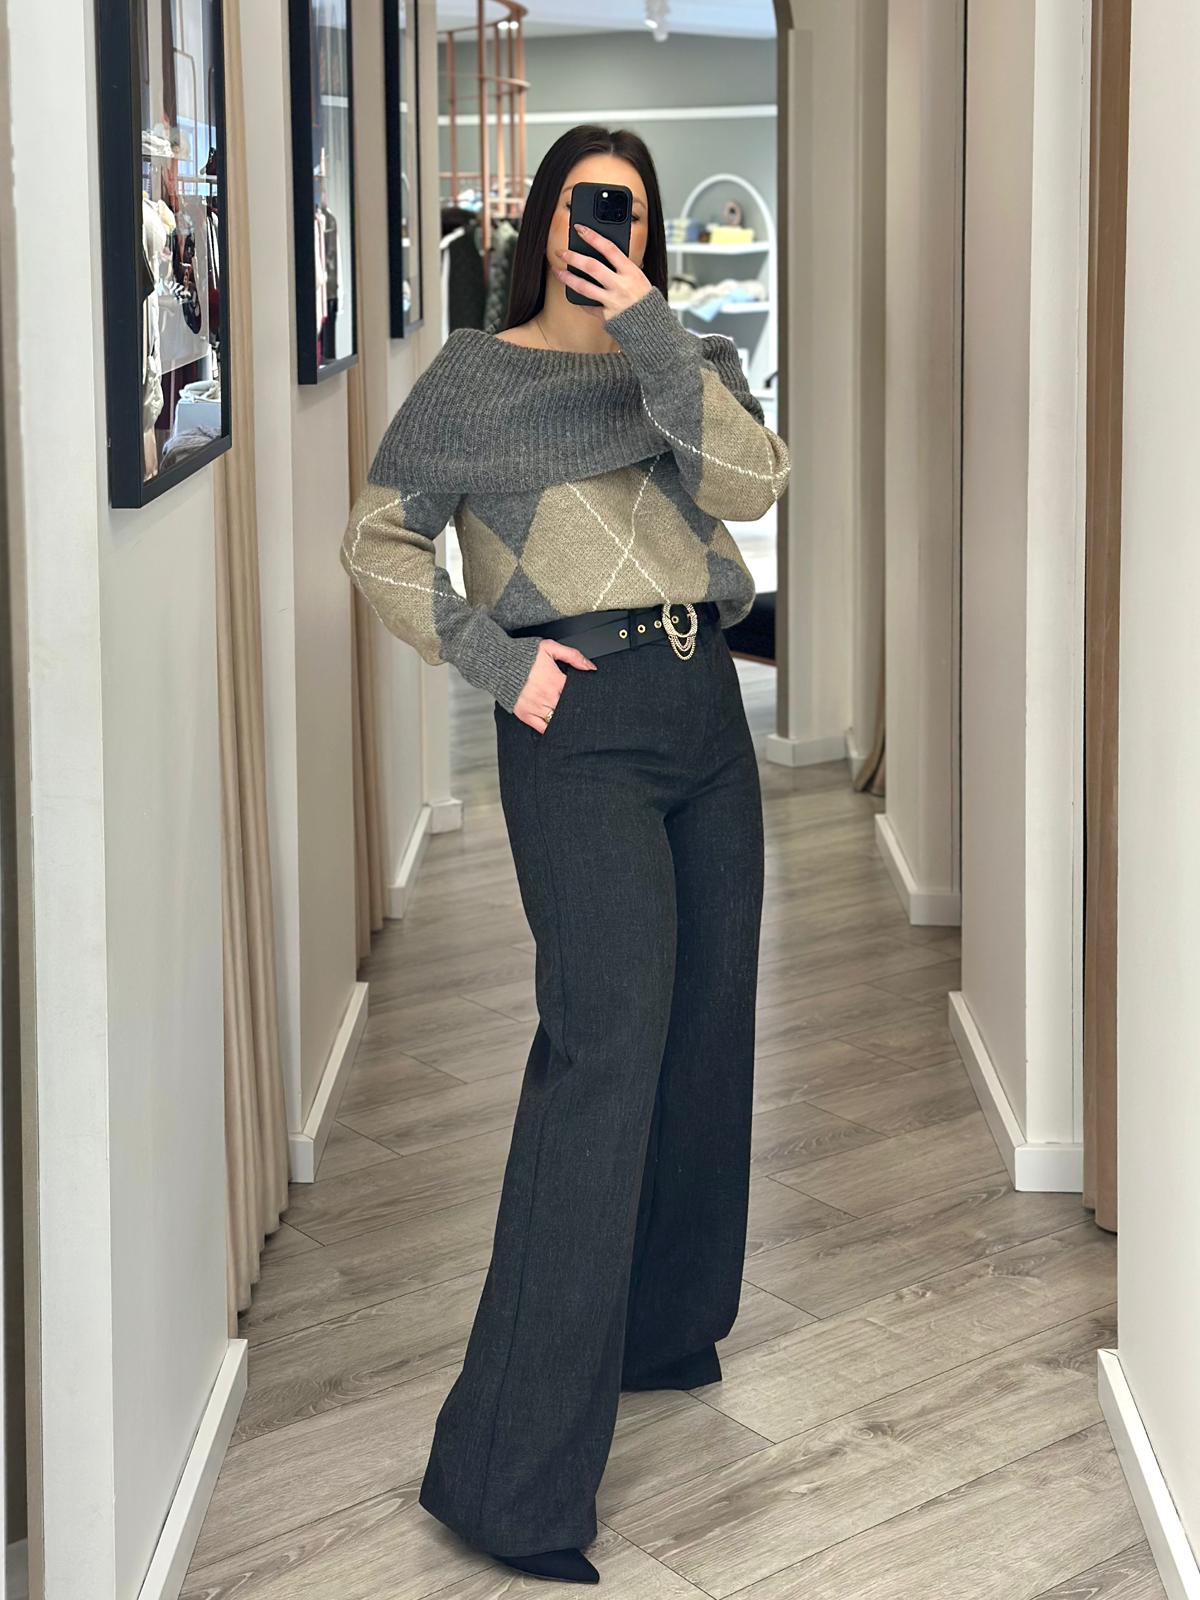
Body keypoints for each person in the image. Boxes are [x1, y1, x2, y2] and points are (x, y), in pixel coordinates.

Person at [340, 124, 790, 1586]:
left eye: (634, 215)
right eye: (594, 208)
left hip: (706, 713)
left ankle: (662, 1328)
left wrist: (654, 328)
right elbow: (378, 542)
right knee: (605, 1045)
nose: (612, 230)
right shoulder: (474, 383)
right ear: (544, 223)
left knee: (706, 1029)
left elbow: (752, 487)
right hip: (577, 721)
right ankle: (508, 1478)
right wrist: (497, 660)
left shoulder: (687, 359)